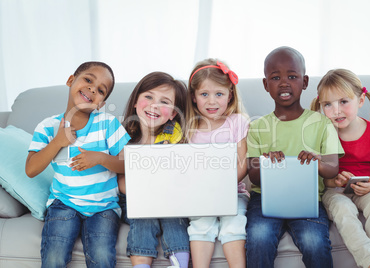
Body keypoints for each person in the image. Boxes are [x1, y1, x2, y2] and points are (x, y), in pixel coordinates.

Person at [246, 46, 344, 268]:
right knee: (259, 238)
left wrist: (317, 161)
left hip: (307, 198)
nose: (284, 83)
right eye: (275, 77)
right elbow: (253, 176)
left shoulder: (321, 123)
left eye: (292, 76)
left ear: (305, 81)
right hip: (264, 199)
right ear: (265, 85)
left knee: (314, 241)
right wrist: (266, 163)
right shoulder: (257, 126)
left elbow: (332, 169)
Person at [25, 61, 131, 267]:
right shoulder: (47, 126)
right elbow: (31, 169)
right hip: (64, 203)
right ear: (71, 80)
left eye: (101, 90)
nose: (92, 89)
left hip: (104, 207)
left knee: (101, 256)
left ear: (100, 103)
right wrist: (57, 142)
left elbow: (128, 164)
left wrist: (100, 158)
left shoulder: (108, 123)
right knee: (54, 256)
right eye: (88, 80)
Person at [311, 68, 370, 268]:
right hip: (335, 191)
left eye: (343, 102)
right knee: (343, 208)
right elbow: (323, 177)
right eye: (328, 105)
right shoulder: (324, 134)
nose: (336, 110)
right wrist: (335, 180)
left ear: (361, 100)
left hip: (367, 189)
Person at [118, 72, 190, 268]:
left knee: (174, 215)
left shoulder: (176, 140)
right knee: (144, 215)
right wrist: (145, 191)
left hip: (169, 198)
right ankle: (141, 264)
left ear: (174, 114)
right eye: (148, 97)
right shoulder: (124, 140)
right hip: (135, 199)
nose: (155, 105)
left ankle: (179, 263)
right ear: (135, 102)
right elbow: (121, 183)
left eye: (164, 102)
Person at [185, 58, 249, 268]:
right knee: (200, 225)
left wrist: (223, 185)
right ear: (194, 97)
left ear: (230, 95)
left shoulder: (237, 122)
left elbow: (243, 163)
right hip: (201, 194)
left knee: (234, 223)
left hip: (233, 191)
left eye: (218, 94)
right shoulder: (189, 128)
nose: (211, 101)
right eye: (204, 94)